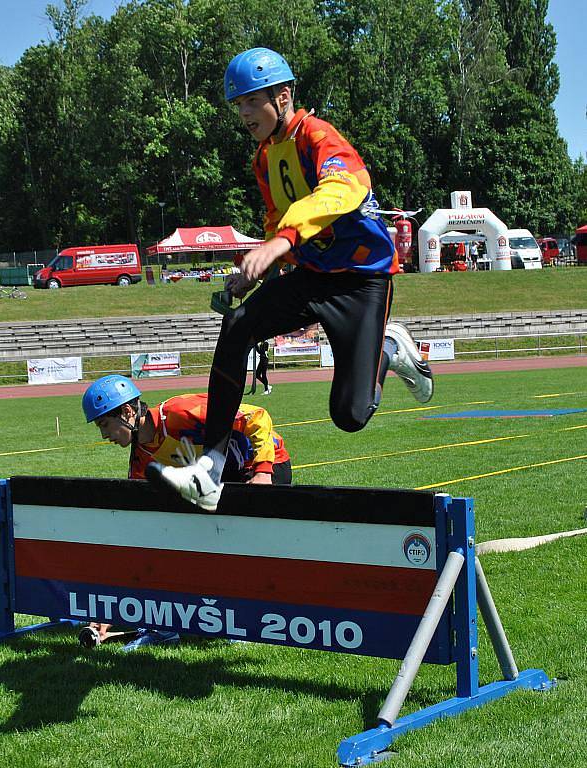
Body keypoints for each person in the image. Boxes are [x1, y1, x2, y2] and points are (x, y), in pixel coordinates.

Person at [149, 48, 433, 512]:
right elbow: (277, 218)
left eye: (250, 101)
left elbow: (344, 189)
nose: (242, 113)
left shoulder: (318, 136)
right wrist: (258, 268)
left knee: (350, 415)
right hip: (312, 275)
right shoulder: (264, 158)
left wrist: (279, 244)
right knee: (238, 323)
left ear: (282, 97)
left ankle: (389, 349)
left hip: (362, 282)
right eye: (236, 104)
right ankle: (211, 469)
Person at [79, 374, 292, 650]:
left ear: (128, 412)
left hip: (265, 464)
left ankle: (247, 620)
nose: (104, 435)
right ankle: (166, 625)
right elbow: (142, 533)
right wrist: (114, 609)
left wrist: (263, 472)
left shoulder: (180, 413)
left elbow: (257, 417)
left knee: (238, 547)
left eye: (105, 424)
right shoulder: (141, 458)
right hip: (224, 479)